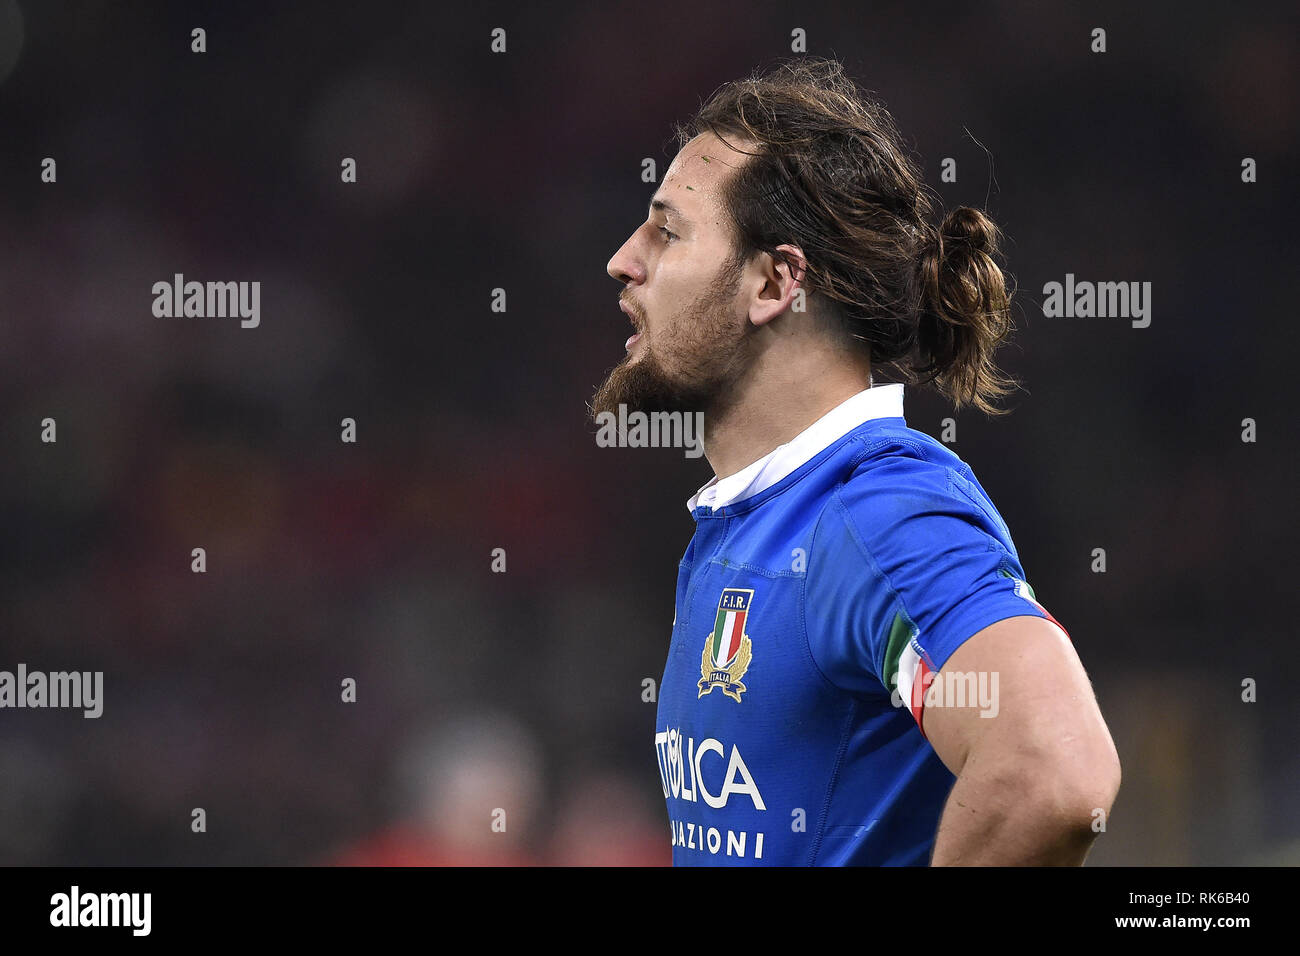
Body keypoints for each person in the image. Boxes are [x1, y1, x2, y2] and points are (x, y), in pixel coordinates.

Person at [591, 57, 1120, 865]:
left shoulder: (877, 511)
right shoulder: (750, 523)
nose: (624, 260)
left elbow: (1055, 773)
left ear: (773, 283)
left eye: (668, 230)